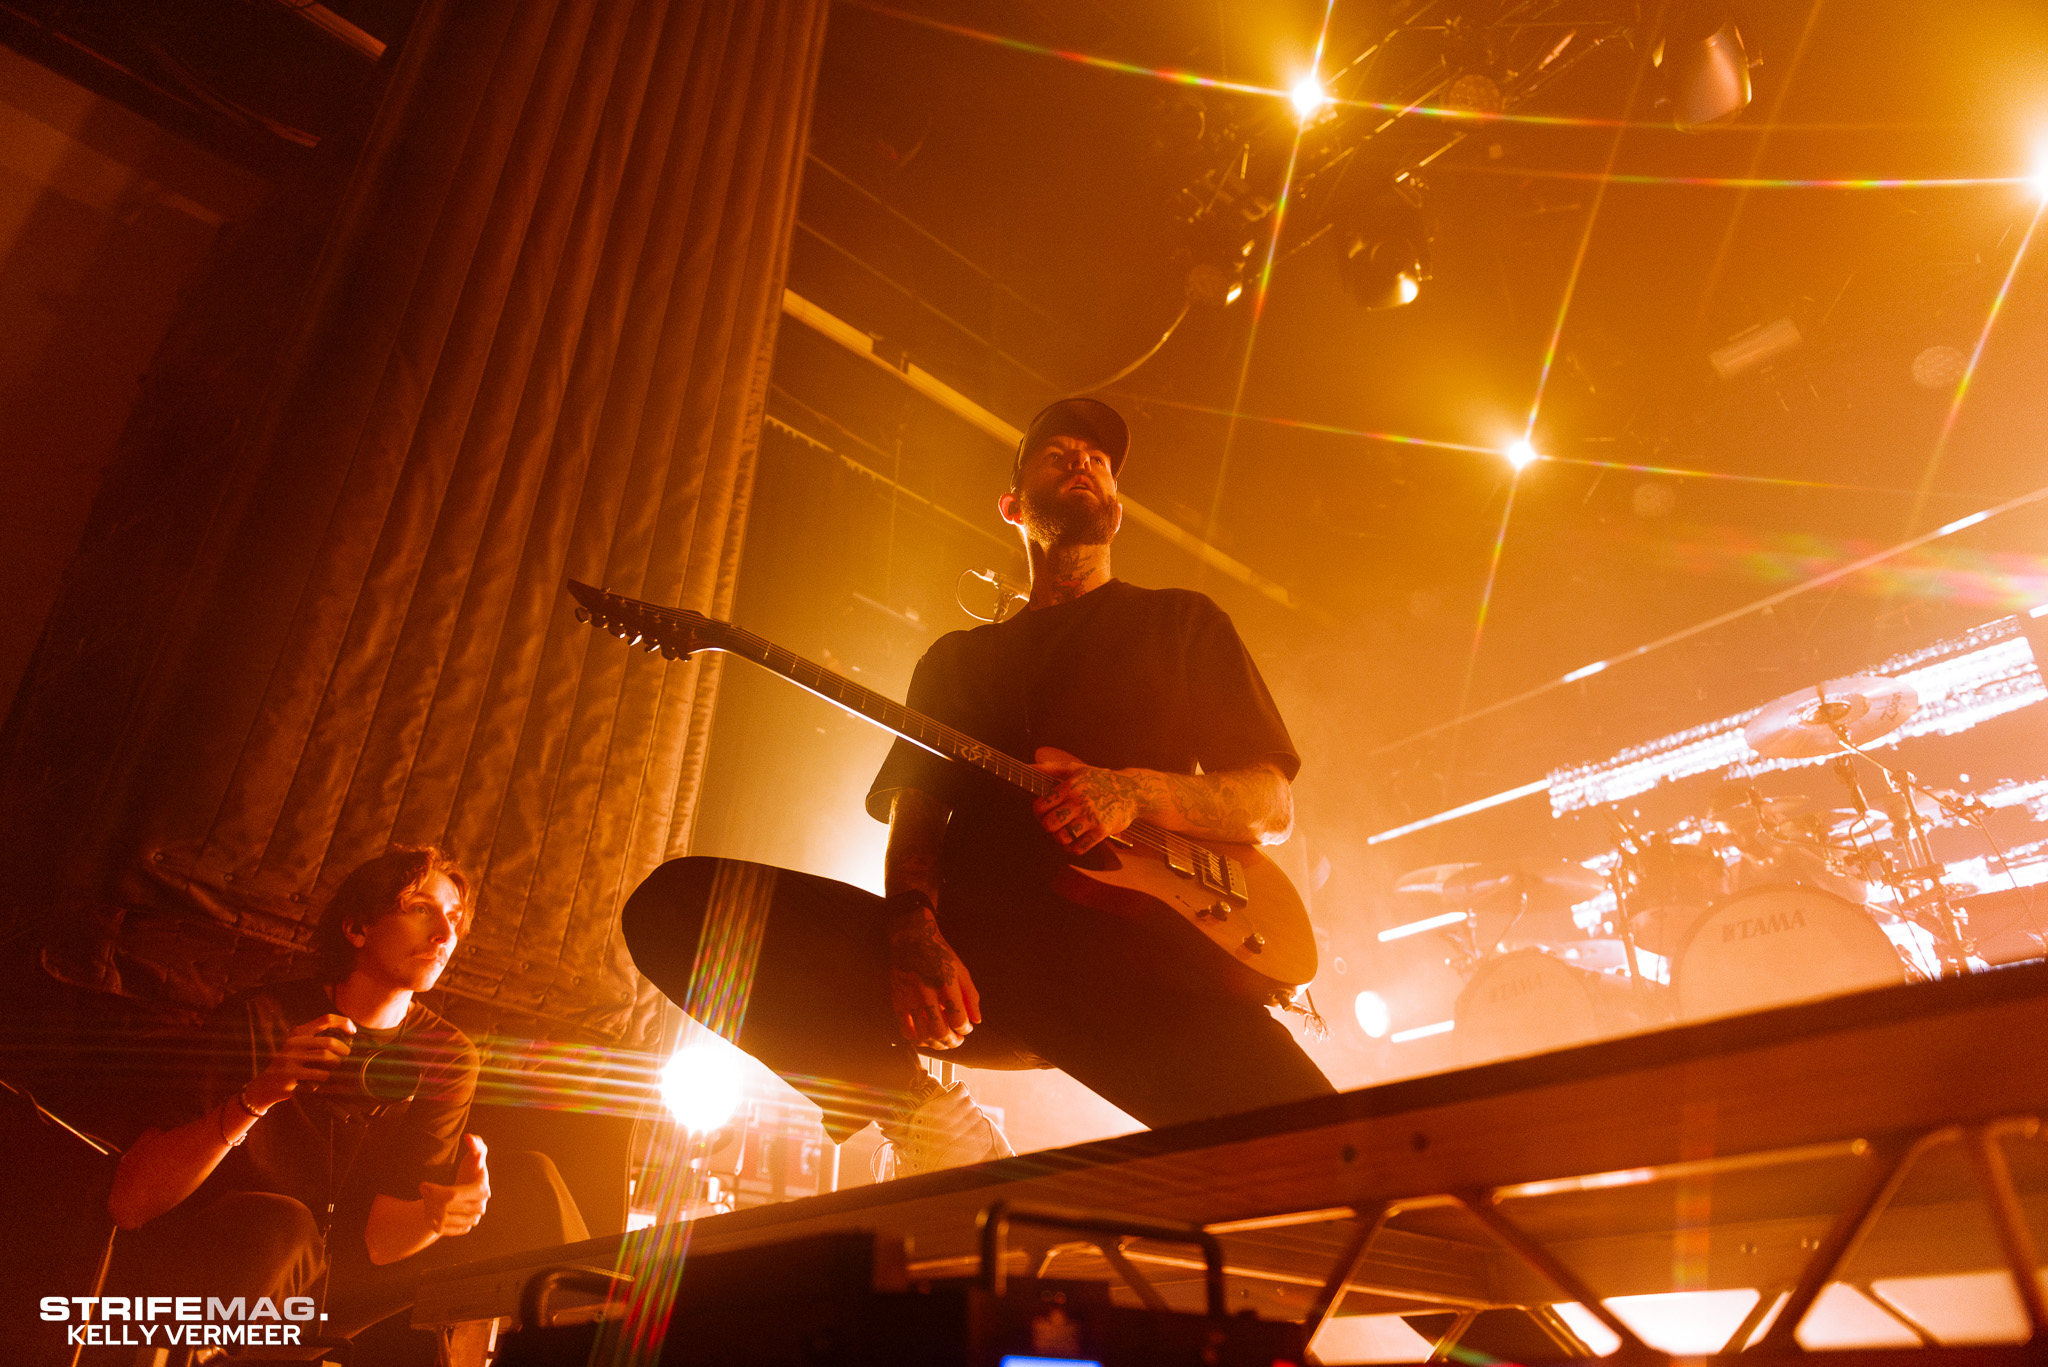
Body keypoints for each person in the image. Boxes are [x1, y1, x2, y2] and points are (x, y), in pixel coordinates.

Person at [624, 398, 1334, 1176]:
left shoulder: (1183, 625)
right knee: (675, 906)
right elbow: (917, 809)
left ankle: (1479, 1299)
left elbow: (1270, 802)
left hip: (1136, 976)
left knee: (1354, 1162)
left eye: (1098, 460)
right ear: (1013, 506)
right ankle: (919, 1115)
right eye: (1056, 455)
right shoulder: (959, 661)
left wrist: (1132, 791)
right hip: (977, 967)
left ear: (1119, 511)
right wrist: (912, 930)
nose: (1082, 464)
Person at [103, 845, 494, 1348]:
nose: (445, 935)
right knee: (286, 1225)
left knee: (533, 1196)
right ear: (357, 929)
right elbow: (130, 1204)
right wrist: (259, 1095)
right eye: (420, 909)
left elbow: (378, 1241)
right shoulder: (260, 1016)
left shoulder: (449, 1056)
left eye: (454, 919)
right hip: (210, 1278)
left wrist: (435, 1219)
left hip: (329, 1294)